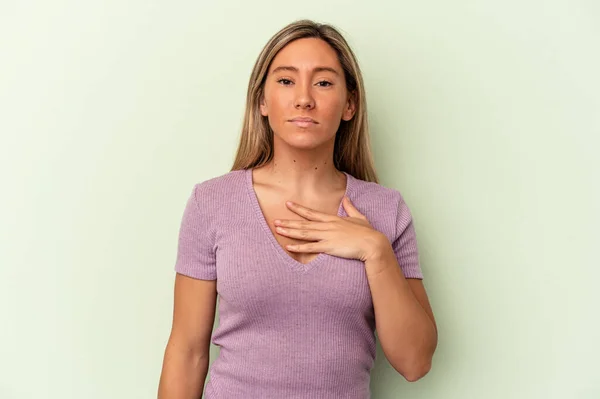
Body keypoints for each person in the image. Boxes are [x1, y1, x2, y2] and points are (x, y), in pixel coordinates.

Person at [158, 19, 438, 399]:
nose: (304, 98)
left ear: (349, 104)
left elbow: (415, 361)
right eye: (286, 81)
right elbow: (187, 353)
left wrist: (375, 251)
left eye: (323, 82)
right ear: (262, 101)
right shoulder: (212, 204)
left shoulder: (386, 210)